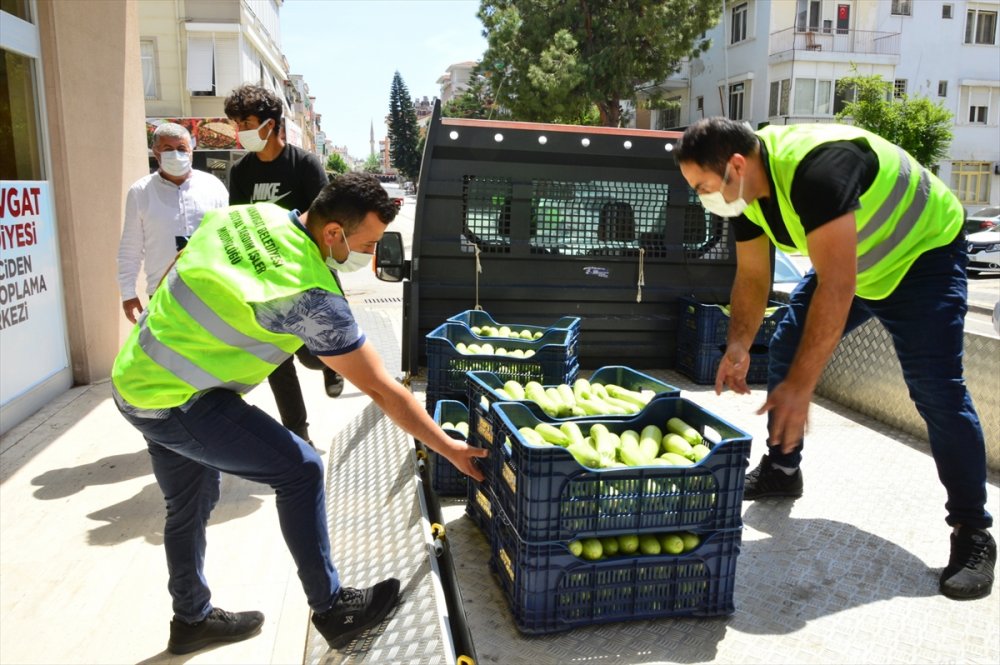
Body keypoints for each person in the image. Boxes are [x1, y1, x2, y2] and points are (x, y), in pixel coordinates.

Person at [110, 172, 488, 655]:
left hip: (135, 376)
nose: (369, 255)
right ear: (334, 233)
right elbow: (383, 389)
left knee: (188, 505)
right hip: (179, 401)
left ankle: (190, 620)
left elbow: (177, 265)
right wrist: (451, 448)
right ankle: (333, 609)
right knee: (301, 469)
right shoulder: (309, 293)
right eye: (367, 244)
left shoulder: (242, 216)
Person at [674, 117, 995, 600]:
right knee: (786, 342)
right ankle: (783, 470)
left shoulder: (817, 169)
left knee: (936, 391)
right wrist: (738, 344)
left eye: (702, 185)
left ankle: (973, 532)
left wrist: (803, 386)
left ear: (735, 165)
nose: (703, 197)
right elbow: (753, 276)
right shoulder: (744, 196)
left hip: (921, 257)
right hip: (856, 264)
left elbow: (838, 286)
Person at [224, 83, 343, 445]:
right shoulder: (241, 171)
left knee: (312, 356)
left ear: (271, 124)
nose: (239, 130)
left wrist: (285, 230)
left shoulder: (304, 164)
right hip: (266, 279)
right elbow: (238, 221)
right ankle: (299, 434)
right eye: (236, 123)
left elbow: (323, 216)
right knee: (278, 361)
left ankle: (330, 366)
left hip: (307, 275)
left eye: (246, 121)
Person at [117, 122, 228, 323]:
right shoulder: (141, 192)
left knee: (208, 353)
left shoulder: (214, 187)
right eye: (168, 149)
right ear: (156, 152)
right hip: (163, 293)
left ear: (191, 152)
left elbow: (228, 238)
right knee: (167, 353)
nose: (176, 154)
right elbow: (130, 249)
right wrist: (128, 293)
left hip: (210, 291)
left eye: (181, 149)